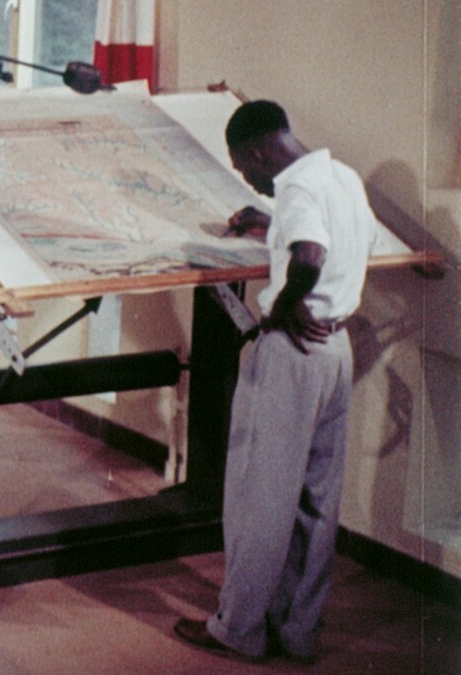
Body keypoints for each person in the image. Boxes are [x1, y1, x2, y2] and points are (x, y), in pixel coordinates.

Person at [173, 100, 379, 663]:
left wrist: (285, 301)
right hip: (335, 349)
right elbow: (341, 242)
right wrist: (273, 230)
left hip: (293, 350)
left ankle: (237, 629)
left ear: (260, 151)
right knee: (317, 496)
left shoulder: (296, 191)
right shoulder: (341, 177)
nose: (250, 180)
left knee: (260, 497)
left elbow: (310, 254)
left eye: (244, 168)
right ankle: (297, 630)